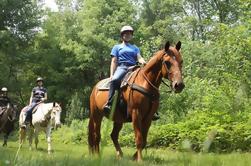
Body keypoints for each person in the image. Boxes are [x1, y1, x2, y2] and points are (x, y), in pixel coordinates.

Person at [103, 25, 160, 120]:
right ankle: (109, 103)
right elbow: (114, 61)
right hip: (122, 67)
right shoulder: (117, 47)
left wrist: (143, 61)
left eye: (129, 34)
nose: (128, 35)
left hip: (134, 67)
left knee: (147, 82)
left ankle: (152, 109)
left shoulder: (135, 48)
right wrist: (112, 74)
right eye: (126, 34)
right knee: (115, 80)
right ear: (122, 36)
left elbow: (139, 57)